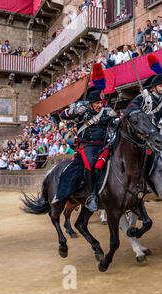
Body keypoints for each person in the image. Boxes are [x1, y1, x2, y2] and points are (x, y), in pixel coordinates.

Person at [53, 64, 116, 212]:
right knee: (91, 164)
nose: (100, 105)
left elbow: (114, 126)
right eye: (97, 103)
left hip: (105, 144)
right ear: (91, 103)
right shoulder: (82, 111)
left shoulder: (107, 111)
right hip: (88, 145)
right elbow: (62, 116)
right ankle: (91, 195)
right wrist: (74, 111)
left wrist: (116, 118)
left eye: (101, 103)